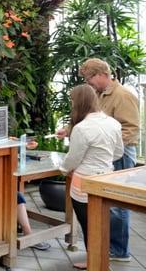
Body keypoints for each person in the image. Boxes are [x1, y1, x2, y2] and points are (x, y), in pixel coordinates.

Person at [79, 58, 138, 262]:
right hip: (108, 154)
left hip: (121, 153)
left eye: (90, 78)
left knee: (118, 203)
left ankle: (120, 250)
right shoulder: (99, 94)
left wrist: (108, 145)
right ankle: (108, 246)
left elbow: (131, 129)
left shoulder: (123, 96)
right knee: (108, 203)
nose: (89, 83)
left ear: (103, 75)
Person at [59, 84, 124, 270]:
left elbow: (73, 158)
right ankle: (102, 260)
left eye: (72, 101)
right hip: (106, 179)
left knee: (89, 224)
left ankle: (94, 261)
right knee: (102, 221)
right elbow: (118, 152)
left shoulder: (82, 128)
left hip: (84, 183)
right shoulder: (113, 123)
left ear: (78, 103)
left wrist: (63, 169)